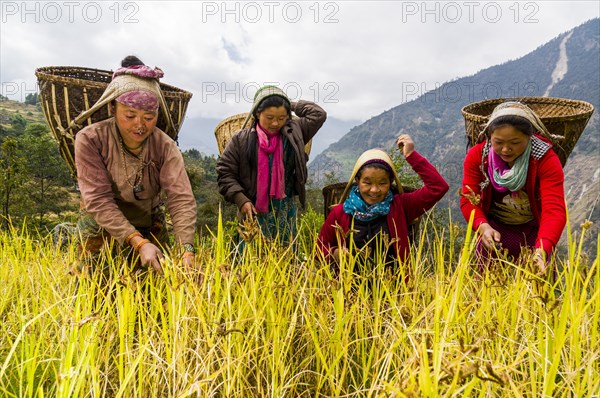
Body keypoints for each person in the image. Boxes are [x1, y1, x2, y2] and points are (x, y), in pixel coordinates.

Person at [73, 55, 197, 274]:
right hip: (101, 222)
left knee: (157, 287)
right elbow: (98, 199)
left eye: (149, 117)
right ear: (113, 108)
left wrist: (186, 249)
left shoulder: (165, 146)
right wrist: (138, 243)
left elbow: (181, 198)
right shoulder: (90, 139)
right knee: (93, 286)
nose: (140, 125)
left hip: (148, 219)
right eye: (130, 115)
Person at [460, 101, 567, 275]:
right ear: (489, 137)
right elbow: (468, 200)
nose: (506, 149)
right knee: (487, 291)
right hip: (495, 231)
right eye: (498, 142)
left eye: (515, 142)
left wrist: (542, 250)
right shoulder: (478, 156)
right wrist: (483, 227)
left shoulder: (544, 158)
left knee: (539, 291)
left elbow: (554, 210)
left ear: (529, 137)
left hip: (534, 232)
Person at [317, 134, 449, 273]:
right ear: (357, 180)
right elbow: (319, 250)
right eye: (367, 182)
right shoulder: (341, 212)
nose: (374, 190)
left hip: (394, 290)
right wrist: (335, 254)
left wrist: (411, 155)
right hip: (349, 291)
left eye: (382, 183)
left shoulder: (401, 206)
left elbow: (438, 187)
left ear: (390, 182)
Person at [216, 85, 326, 244]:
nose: (275, 123)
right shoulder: (241, 140)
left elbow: (319, 114)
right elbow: (225, 173)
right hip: (253, 210)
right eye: (269, 117)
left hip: (285, 210)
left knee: (285, 258)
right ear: (257, 113)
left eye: (282, 118)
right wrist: (241, 199)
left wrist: (288, 103)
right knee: (251, 260)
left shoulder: (294, 133)